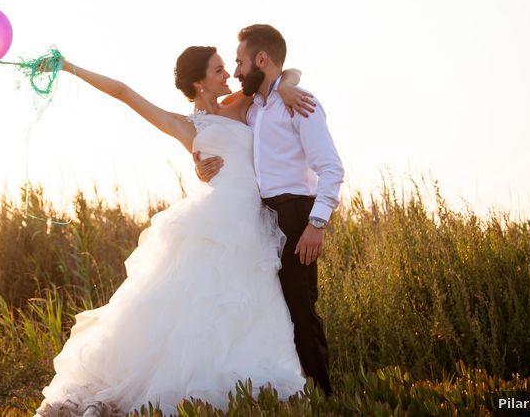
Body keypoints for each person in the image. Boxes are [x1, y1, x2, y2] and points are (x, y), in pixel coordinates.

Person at [34, 47, 315, 416]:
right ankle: (181, 392)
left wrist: (290, 85)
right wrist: (68, 67)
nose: (228, 74)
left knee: (249, 305)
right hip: (213, 219)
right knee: (196, 305)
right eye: (218, 70)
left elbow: (285, 72)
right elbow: (123, 91)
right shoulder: (186, 126)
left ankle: (243, 389)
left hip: (251, 223)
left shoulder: (240, 104)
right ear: (199, 81)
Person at [195, 25, 344, 396]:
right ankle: (286, 390)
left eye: (240, 62)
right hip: (261, 218)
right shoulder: (255, 110)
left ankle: (324, 393)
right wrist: (202, 169)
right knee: (272, 309)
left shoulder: (300, 104)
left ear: (261, 60)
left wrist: (317, 223)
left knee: (301, 308)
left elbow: (331, 168)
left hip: (296, 215)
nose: (237, 71)